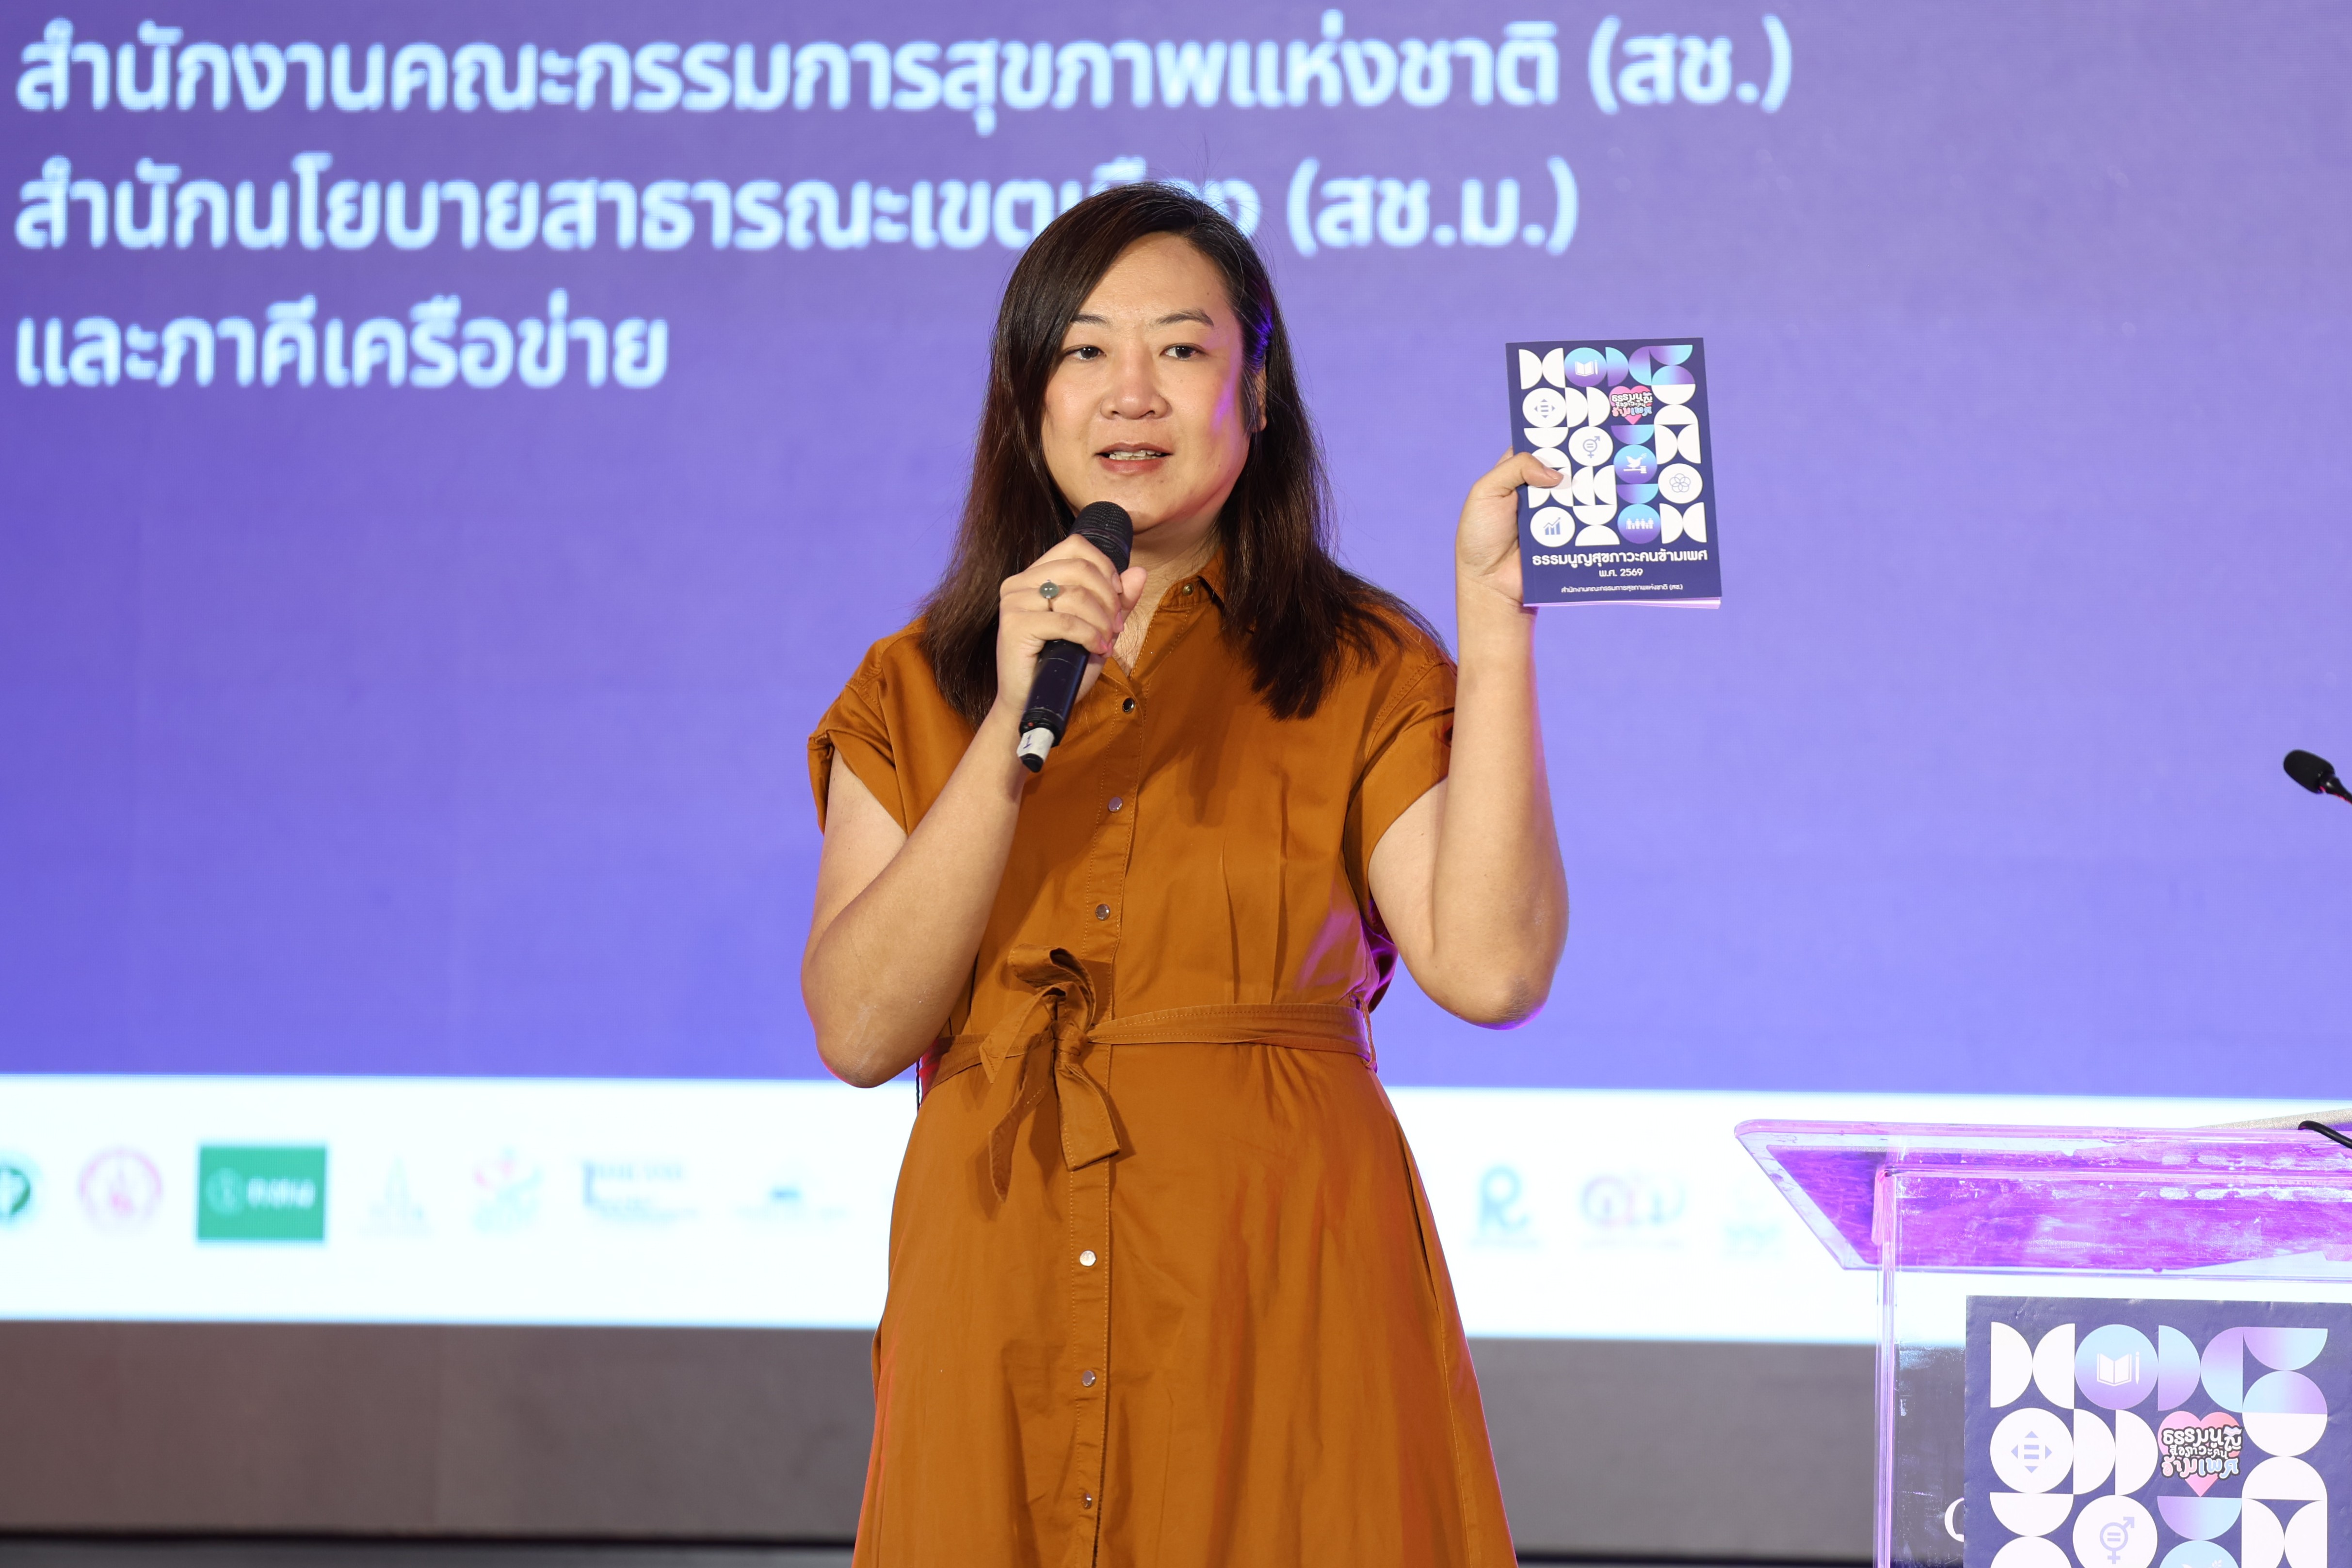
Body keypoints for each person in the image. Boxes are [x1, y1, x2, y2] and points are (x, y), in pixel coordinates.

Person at [803, 183, 1567, 1567]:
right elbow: (860, 1030)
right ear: (1029, 402)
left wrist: (1497, 628)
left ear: (1256, 393)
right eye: (1085, 350)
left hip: (1283, 1286)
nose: (1132, 392)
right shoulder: (915, 682)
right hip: (999, 1286)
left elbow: (1493, 968)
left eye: (1182, 348)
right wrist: (1010, 722)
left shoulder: (1363, 664)